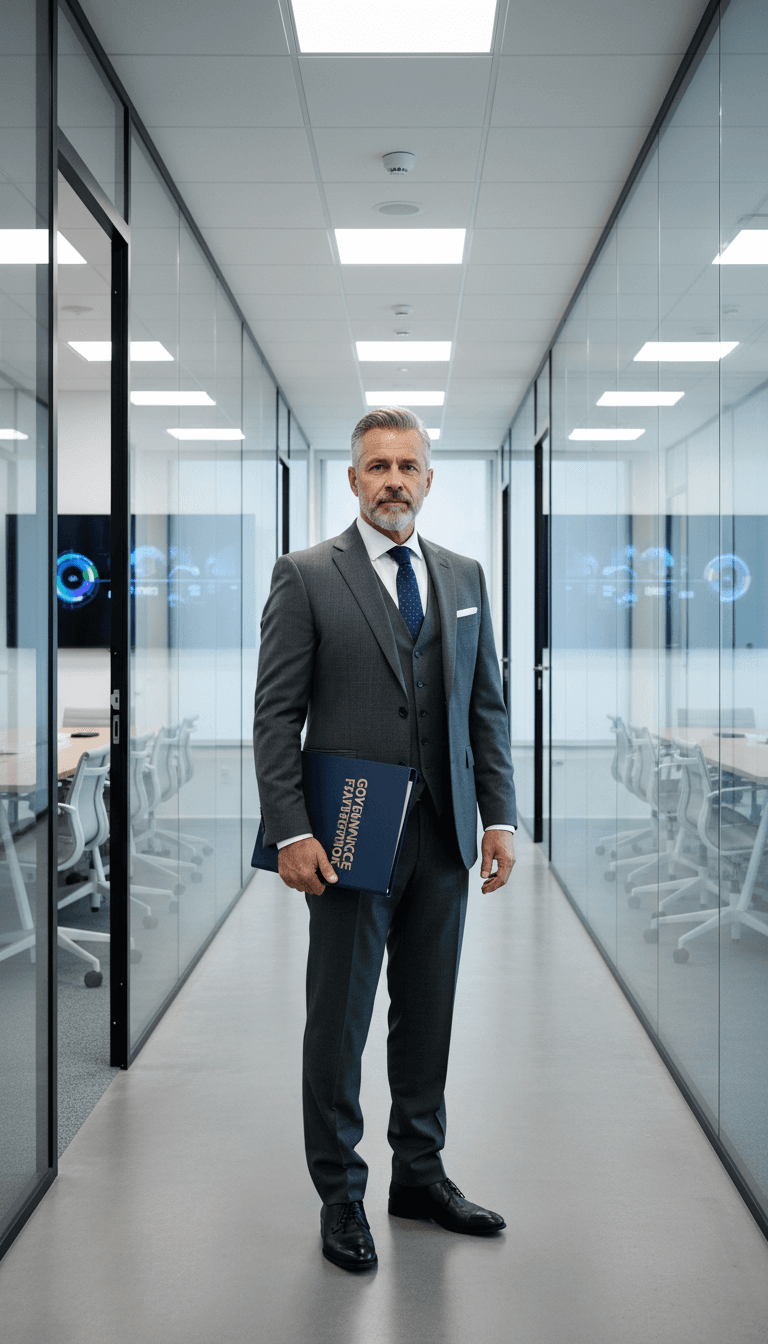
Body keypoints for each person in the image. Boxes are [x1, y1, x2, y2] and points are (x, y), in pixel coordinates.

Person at [253, 407, 517, 1271]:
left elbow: (486, 710)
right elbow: (275, 716)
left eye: (408, 465)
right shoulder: (306, 575)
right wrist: (291, 829)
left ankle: (419, 1173)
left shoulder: (464, 575)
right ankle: (340, 1194)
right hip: (348, 835)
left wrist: (500, 818)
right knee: (339, 1020)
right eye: (378, 466)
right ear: (355, 480)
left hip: (442, 836)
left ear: (429, 480)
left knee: (427, 1013)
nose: (394, 479)